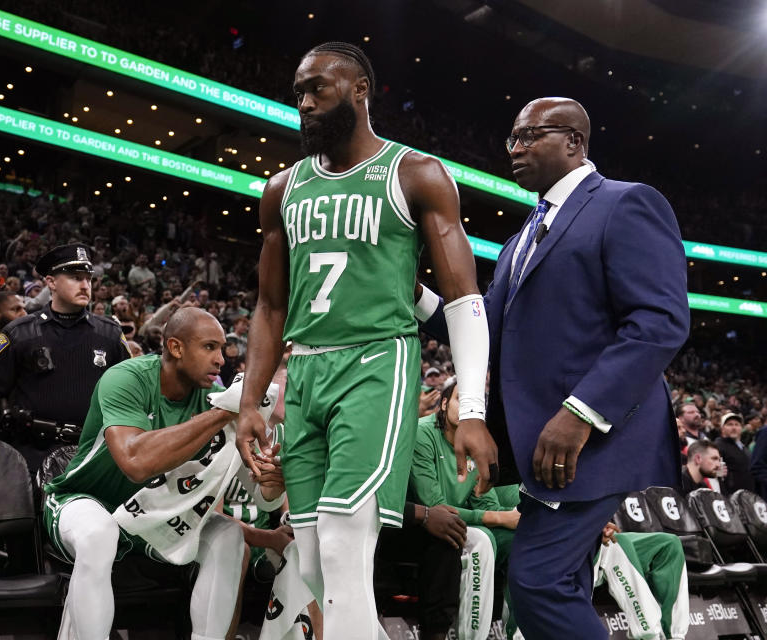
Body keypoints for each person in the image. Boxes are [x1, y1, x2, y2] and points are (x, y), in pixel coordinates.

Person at [237, 42, 492, 639]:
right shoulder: (281, 189)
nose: (303, 103)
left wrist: (474, 410)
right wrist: (251, 401)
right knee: (311, 556)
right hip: (305, 371)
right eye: (298, 91)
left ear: (360, 90)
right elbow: (271, 305)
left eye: (316, 89)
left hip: (377, 361)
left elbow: (463, 300)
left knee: (345, 539)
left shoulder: (416, 173)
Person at [477, 97, 689, 639]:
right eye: (512, 139)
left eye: (530, 136)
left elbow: (659, 321)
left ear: (574, 141)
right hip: (542, 448)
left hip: (589, 441)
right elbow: (484, 331)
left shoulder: (627, 203)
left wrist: (582, 412)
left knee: (536, 585)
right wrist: (418, 300)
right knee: (560, 586)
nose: (515, 149)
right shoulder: (521, 236)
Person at [42, 308, 282, 640]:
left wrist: (272, 481)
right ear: (175, 347)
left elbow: (264, 499)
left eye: (222, 349)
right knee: (99, 534)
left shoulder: (216, 399)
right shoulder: (127, 378)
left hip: (152, 514)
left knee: (228, 537)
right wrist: (222, 413)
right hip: (87, 500)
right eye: (209, 347)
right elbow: (136, 462)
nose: (220, 360)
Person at [0, 243, 129, 475]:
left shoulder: (110, 334)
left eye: (88, 279)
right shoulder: (19, 333)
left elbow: (130, 397)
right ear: (51, 282)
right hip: (30, 455)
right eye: (75, 277)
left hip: (94, 455)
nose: (85, 285)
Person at [410, 379, 519, 640]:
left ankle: (519, 633)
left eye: (476, 405)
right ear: (444, 403)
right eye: (461, 400)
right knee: (481, 539)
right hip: (420, 526)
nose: (469, 409)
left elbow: (486, 502)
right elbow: (435, 507)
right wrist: (496, 517)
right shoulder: (423, 434)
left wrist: (498, 514)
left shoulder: (476, 444)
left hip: (461, 523)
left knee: (521, 541)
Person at [715, 412, 754, 494]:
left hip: (748, 495)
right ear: (722, 428)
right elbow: (718, 475)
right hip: (731, 496)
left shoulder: (743, 447)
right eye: (730, 424)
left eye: (737, 424)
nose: (734, 427)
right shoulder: (718, 446)